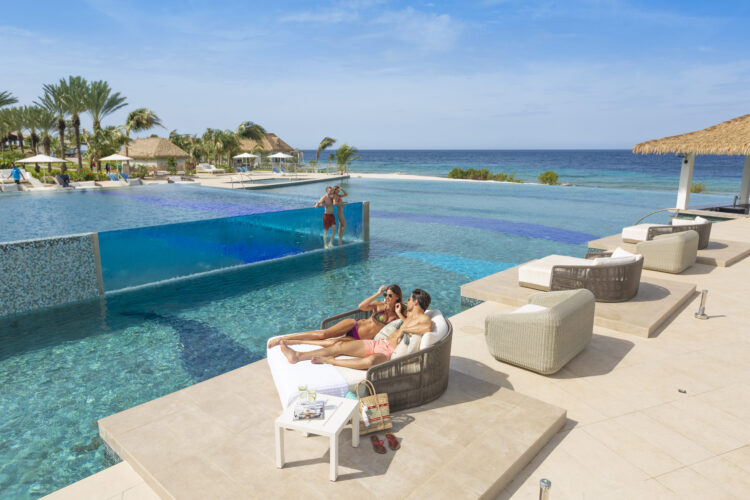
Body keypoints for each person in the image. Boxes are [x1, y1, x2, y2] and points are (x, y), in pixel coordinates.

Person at [280, 289, 433, 370]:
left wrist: (402, 322)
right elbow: (406, 326)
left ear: (416, 302)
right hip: (378, 343)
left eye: (409, 299)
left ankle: (331, 361)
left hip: (388, 352)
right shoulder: (409, 315)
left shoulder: (423, 318)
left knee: (371, 361)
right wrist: (401, 321)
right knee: (338, 346)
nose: (407, 301)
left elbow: (427, 327)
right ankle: (298, 356)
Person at [267, 285, 405, 349]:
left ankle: (297, 343)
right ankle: (283, 338)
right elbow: (361, 306)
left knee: (334, 343)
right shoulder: (379, 305)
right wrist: (377, 294)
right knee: (324, 334)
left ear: (397, 297)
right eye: (385, 295)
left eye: (390, 295)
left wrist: (398, 313)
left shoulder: (398, 315)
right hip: (355, 325)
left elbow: (407, 323)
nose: (387, 298)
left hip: (359, 338)